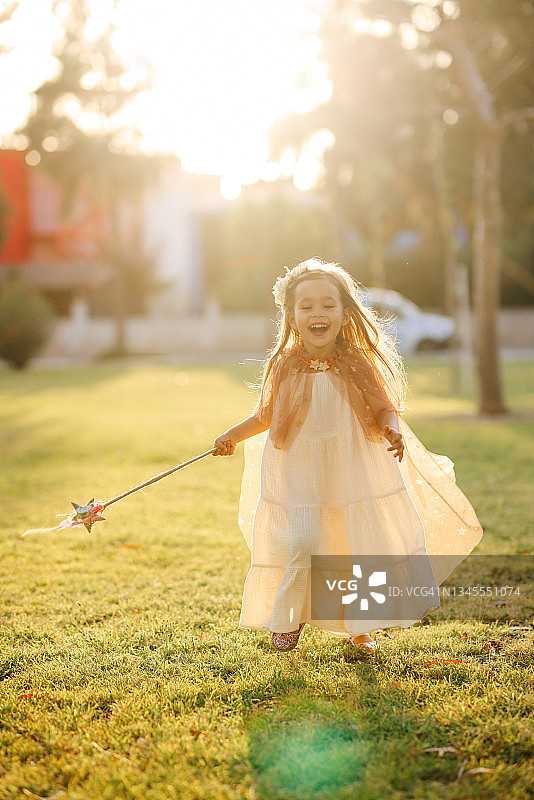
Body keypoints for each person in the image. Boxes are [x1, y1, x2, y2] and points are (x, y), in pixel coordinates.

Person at [213, 258, 483, 657]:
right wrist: (231, 436)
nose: (317, 313)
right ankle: (289, 616)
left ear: (343, 313)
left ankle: (361, 627)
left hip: (352, 464)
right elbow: (264, 415)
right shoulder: (284, 364)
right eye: (306, 306)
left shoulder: (355, 361)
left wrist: (391, 426)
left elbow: (384, 406)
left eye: (327, 305)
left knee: (353, 543)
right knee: (301, 540)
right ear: (290, 315)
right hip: (298, 466)